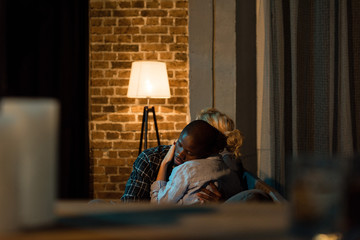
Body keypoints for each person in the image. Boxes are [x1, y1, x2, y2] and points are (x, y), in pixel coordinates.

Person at [150, 120, 242, 205]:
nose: (180, 154)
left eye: (189, 152)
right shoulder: (223, 167)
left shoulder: (186, 170)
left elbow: (158, 206)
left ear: (205, 152)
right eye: (179, 144)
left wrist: (164, 164)